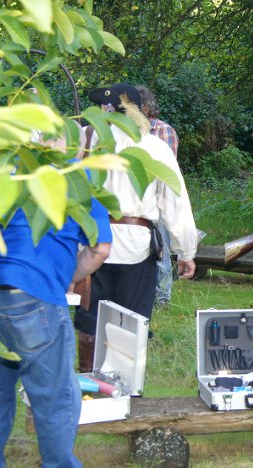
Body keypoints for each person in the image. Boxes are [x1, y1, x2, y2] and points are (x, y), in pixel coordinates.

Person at [0, 136, 113, 468]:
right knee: (55, 394)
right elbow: (100, 248)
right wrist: (65, 280)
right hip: (31, 293)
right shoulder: (77, 181)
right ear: (74, 149)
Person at [74, 83, 199, 349]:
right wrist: (185, 251)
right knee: (131, 325)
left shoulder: (86, 140)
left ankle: (91, 386)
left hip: (92, 244)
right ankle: (125, 386)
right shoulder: (154, 147)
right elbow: (176, 203)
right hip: (135, 247)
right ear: (137, 111)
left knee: (91, 325)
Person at [136, 84, 179, 309]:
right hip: (137, 199)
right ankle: (146, 294)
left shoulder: (164, 131)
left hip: (159, 198)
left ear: (145, 107)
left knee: (160, 249)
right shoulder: (130, 134)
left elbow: (166, 171)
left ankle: (162, 297)